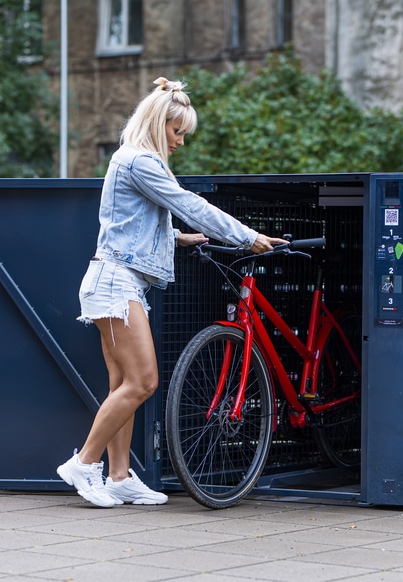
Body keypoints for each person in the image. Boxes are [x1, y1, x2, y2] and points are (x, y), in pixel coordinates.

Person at [57, 76, 286, 507]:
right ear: (158, 122)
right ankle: (84, 464)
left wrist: (177, 239)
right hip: (116, 283)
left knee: (123, 384)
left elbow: (128, 221)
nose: (180, 142)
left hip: (114, 280)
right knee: (143, 382)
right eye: (177, 132)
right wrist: (246, 235)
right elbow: (188, 203)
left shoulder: (130, 160)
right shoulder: (141, 161)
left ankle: (120, 476)